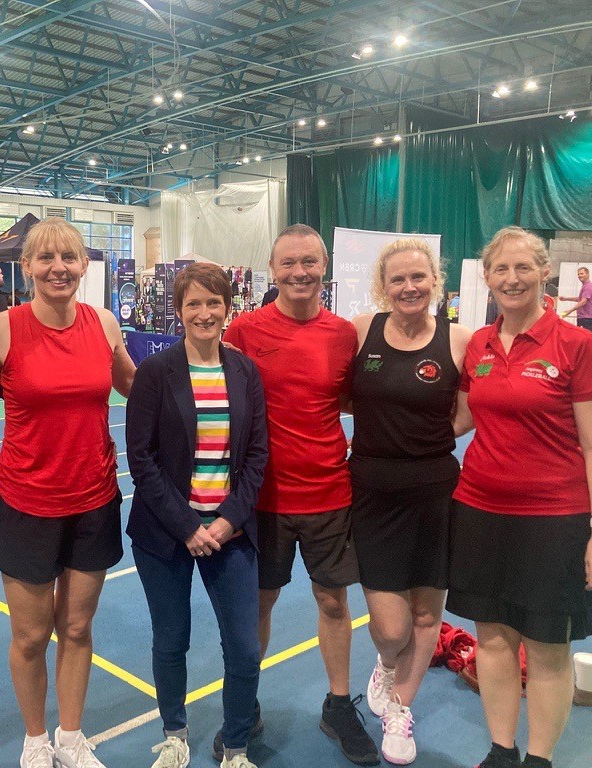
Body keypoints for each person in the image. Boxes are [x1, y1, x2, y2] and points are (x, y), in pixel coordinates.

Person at [450, 227, 592, 768]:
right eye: (501, 269)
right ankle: (502, 750)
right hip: (478, 511)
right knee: (494, 640)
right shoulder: (478, 344)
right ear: (487, 277)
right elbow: (459, 419)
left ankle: (539, 759)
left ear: (544, 272)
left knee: (547, 647)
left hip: (554, 521)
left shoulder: (577, 346)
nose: (512, 278)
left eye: (523, 267)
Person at [0, 218, 136, 768]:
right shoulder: (2, 329)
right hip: (27, 504)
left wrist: (209, 367)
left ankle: (70, 737)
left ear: (84, 265)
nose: (58, 268)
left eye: (68, 257)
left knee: (76, 627)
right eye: (45, 259)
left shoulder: (105, 324)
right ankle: (35, 740)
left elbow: (137, 387)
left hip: (94, 499)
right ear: (27, 266)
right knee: (29, 634)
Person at [223, 224, 379, 767]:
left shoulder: (343, 335)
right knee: (257, 607)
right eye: (289, 263)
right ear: (273, 269)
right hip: (261, 499)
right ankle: (245, 706)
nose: (299, 273)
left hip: (329, 493)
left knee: (334, 602)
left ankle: (339, 705)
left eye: (309, 262)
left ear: (324, 266)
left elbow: (363, 401)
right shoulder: (243, 331)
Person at [127, 264, 269, 768]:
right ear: (179, 310)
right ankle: (174, 736)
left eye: (214, 303)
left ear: (228, 309)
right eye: (194, 304)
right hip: (166, 533)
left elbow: (256, 456)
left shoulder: (245, 371)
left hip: (229, 531)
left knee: (245, 650)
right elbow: (140, 458)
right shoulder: (155, 373)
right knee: (172, 640)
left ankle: (235, 747)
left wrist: (227, 520)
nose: (204, 313)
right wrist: (187, 525)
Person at [348, 239, 472, 764]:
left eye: (418, 277)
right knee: (391, 626)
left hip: (436, 492)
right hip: (372, 493)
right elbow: (336, 393)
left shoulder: (460, 340)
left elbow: (468, 413)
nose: (409, 287)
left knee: (426, 616)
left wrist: (420, 440)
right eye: (397, 279)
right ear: (383, 285)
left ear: (434, 281)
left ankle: (400, 707)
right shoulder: (359, 332)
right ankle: (386, 660)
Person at [558, 267, 592, 334]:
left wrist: (569, 311)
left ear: (587, 275)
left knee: (584, 338)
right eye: (578, 274)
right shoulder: (585, 286)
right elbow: (580, 299)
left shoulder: (588, 287)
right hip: (583, 317)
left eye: (581, 273)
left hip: (587, 318)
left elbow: (583, 301)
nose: (579, 276)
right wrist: (566, 298)